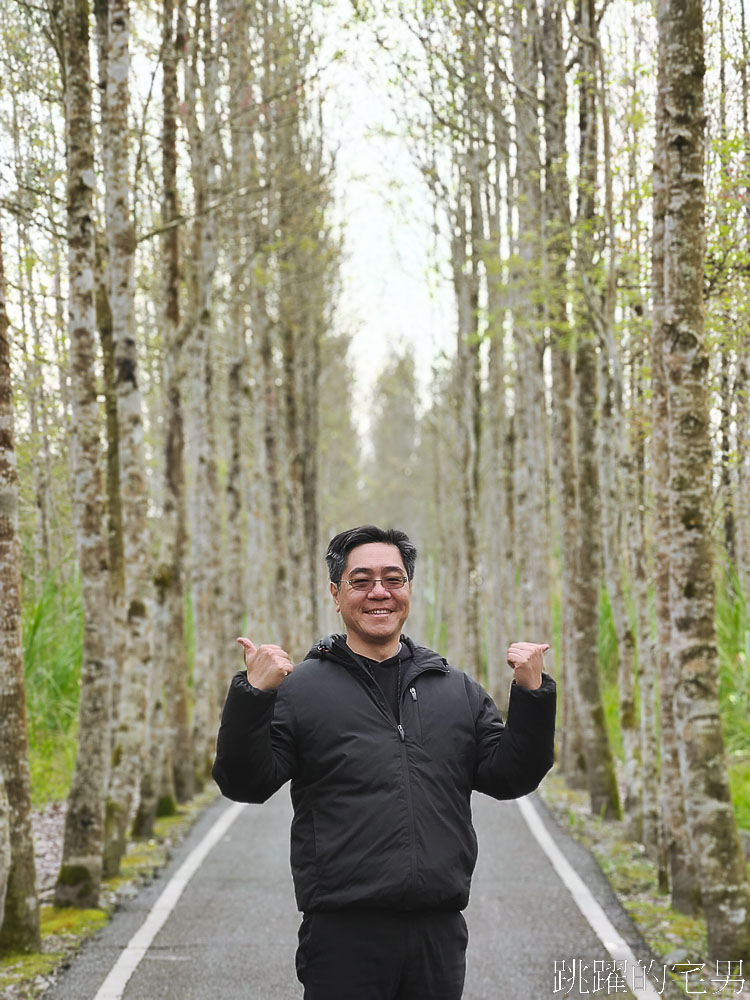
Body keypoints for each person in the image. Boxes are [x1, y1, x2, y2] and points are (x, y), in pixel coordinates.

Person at [213, 525, 556, 1000]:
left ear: (409, 590)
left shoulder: (454, 688)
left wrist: (533, 694)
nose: (380, 592)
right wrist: (254, 695)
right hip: (342, 937)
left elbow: (510, 775)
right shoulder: (301, 690)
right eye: (361, 581)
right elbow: (244, 782)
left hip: (438, 935)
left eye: (393, 579)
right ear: (336, 594)